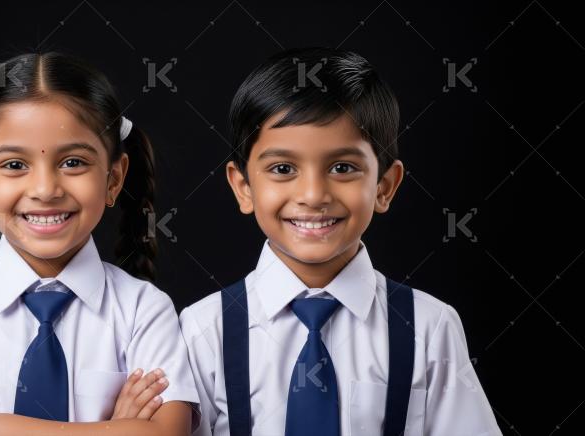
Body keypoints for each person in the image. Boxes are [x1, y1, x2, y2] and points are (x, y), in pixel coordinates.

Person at [0, 51, 199, 436]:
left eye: (73, 162)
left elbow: (167, 432)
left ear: (113, 178)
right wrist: (113, 429)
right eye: (14, 165)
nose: (45, 189)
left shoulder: (145, 311)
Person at [179, 47, 501, 435]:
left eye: (343, 167)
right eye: (283, 169)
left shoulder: (431, 328)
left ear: (384, 186)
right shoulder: (201, 329)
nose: (314, 195)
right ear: (243, 187)